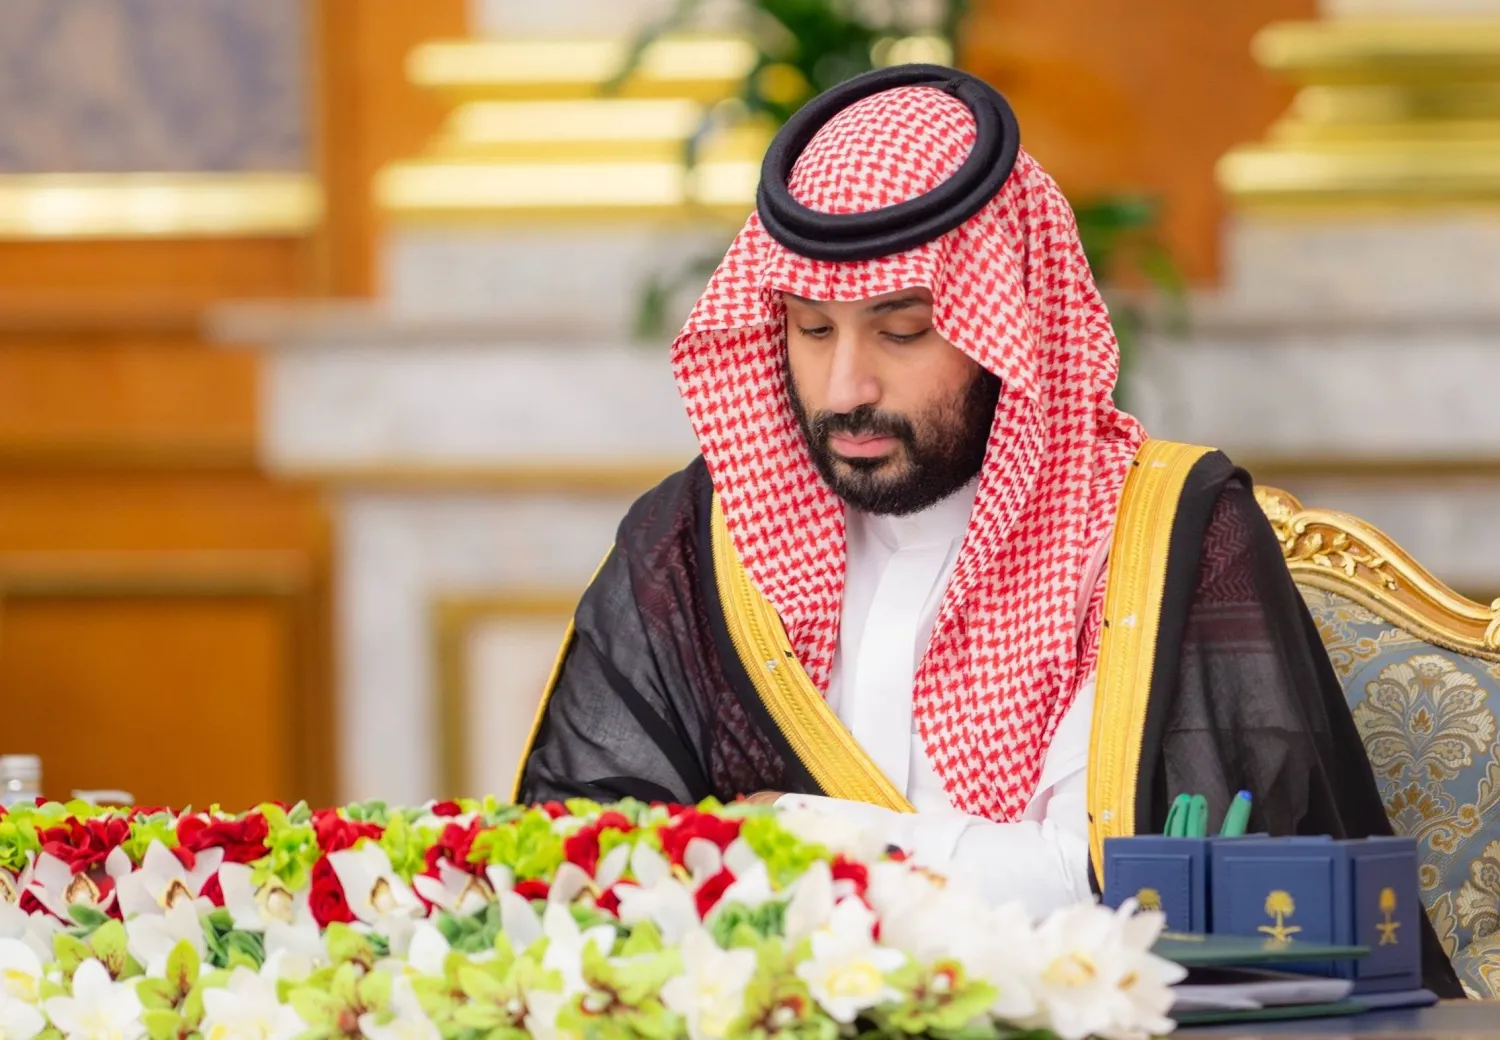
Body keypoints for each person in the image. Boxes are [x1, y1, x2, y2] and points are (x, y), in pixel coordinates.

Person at [513, 66, 1459, 993]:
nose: (845, 389)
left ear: (1003, 323)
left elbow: (1139, 896)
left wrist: (801, 836)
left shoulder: (1157, 540)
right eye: (811, 329)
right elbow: (586, 867)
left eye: (902, 330)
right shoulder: (694, 546)